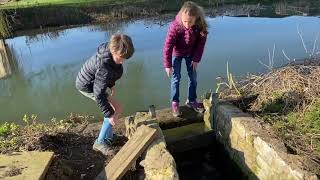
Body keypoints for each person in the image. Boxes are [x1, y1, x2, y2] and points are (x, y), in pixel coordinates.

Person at [76, 33, 134, 155]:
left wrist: (111, 84)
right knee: (114, 110)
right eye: (120, 58)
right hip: (87, 86)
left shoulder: (110, 53)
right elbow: (98, 94)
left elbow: (112, 72)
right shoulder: (104, 67)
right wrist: (109, 114)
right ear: (113, 50)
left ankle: (109, 137)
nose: (122, 62)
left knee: (116, 108)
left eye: (125, 58)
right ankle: (100, 142)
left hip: (94, 83)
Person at [163, 1, 208, 117]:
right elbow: (168, 46)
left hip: (191, 53)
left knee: (193, 77)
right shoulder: (175, 26)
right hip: (176, 53)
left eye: (190, 22)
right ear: (181, 18)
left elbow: (200, 44)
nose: (187, 25)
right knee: (176, 78)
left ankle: (191, 100)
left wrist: (196, 59)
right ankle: (175, 103)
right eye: (185, 22)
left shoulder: (200, 26)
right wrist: (168, 65)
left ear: (196, 18)